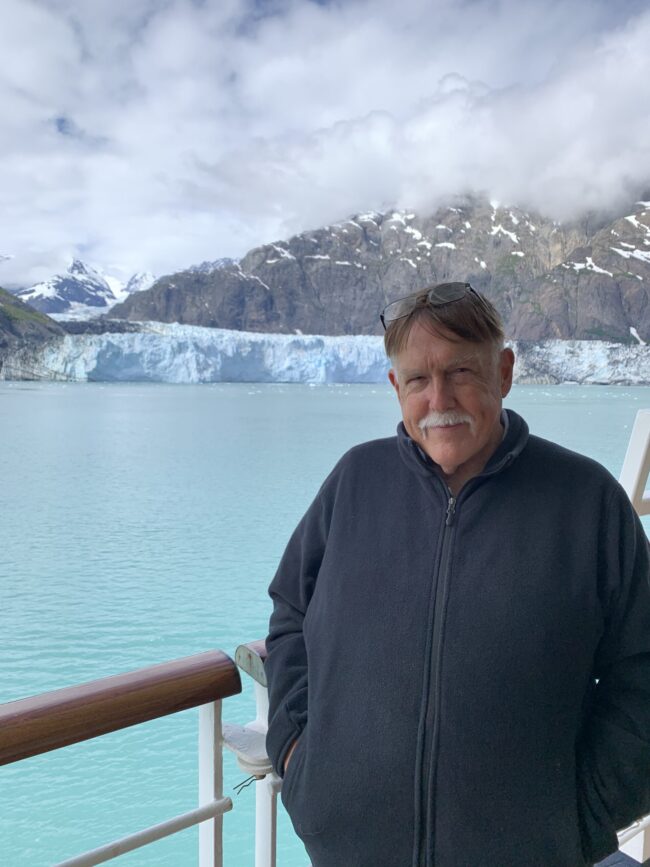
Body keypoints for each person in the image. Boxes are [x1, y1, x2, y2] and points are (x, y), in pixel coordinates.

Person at [264, 282, 650, 867]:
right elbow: (290, 615)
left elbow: (641, 675)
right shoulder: (353, 484)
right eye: (418, 379)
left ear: (504, 371)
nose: (438, 397)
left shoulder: (586, 501)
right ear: (397, 388)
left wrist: (582, 814)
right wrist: (298, 755)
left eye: (461, 372)